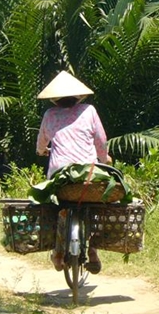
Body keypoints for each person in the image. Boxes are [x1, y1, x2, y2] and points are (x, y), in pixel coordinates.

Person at [36, 70, 112, 274]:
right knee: (94, 206)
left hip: (60, 175)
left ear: (54, 98)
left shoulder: (50, 114)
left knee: (59, 208)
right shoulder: (89, 111)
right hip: (87, 173)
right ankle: (93, 250)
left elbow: (42, 143)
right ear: (78, 96)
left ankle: (57, 253)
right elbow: (101, 140)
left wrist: (42, 151)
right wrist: (104, 159)